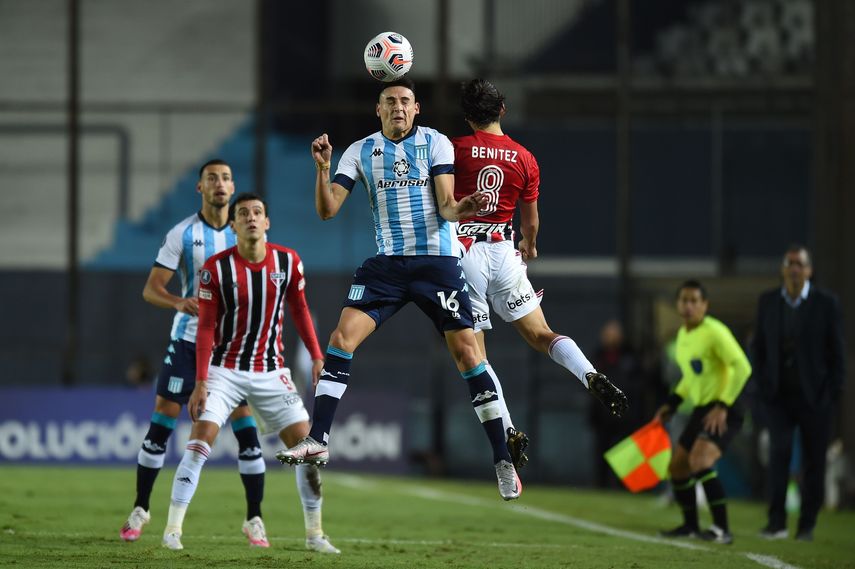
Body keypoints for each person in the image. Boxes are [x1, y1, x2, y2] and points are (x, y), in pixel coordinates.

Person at [276, 76, 524, 501]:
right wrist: (322, 168)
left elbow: (447, 207)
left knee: (468, 355)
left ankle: (503, 459)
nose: (398, 107)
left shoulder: (436, 143)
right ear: (378, 109)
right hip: (388, 265)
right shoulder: (360, 150)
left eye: (405, 100)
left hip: (437, 264)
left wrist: (463, 207)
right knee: (341, 338)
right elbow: (328, 210)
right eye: (389, 100)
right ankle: (318, 438)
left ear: (416, 108)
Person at [450, 79, 629, 467]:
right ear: (502, 110)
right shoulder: (525, 158)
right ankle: (589, 373)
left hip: (465, 251)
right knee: (542, 334)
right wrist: (529, 246)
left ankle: (508, 428)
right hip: (504, 251)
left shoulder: (454, 149)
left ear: (467, 116)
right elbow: (530, 222)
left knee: (475, 354)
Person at [161, 193, 339, 554]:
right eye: (243, 213)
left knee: (307, 450)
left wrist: (317, 357)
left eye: (257, 212)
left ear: (267, 222)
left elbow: (300, 311)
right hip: (224, 370)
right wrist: (200, 382)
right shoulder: (216, 268)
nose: (251, 218)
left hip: (271, 371)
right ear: (234, 225)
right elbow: (206, 327)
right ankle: (172, 530)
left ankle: (315, 534)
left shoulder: (288, 261)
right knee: (200, 441)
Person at [120, 159, 269, 547]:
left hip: (233, 347)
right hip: (188, 341)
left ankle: (254, 518)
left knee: (246, 429)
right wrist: (177, 301)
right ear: (200, 188)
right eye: (211, 178)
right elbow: (151, 289)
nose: (220, 183)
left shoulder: (246, 231)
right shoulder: (183, 234)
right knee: (162, 423)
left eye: (226, 178)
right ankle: (140, 508)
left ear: (233, 187)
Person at [752, 245, 845, 542]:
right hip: (778, 396)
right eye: (790, 263)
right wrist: (763, 385)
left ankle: (806, 525)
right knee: (778, 455)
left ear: (809, 270)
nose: (794, 269)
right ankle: (776, 522)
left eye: (800, 264)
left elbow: (837, 352)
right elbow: (758, 348)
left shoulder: (826, 303)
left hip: (815, 398)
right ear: (782, 269)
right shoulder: (768, 301)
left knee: (814, 462)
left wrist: (832, 392)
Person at [655, 280, 752, 545]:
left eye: (694, 301)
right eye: (684, 300)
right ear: (678, 305)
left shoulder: (715, 332)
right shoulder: (683, 336)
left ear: (705, 305)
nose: (688, 306)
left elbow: (742, 367)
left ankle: (722, 529)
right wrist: (672, 403)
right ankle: (690, 526)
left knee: (700, 461)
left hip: (725, 408)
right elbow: (691, 378)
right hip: (702, 409)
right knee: (677, 467)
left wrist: (723, 405)